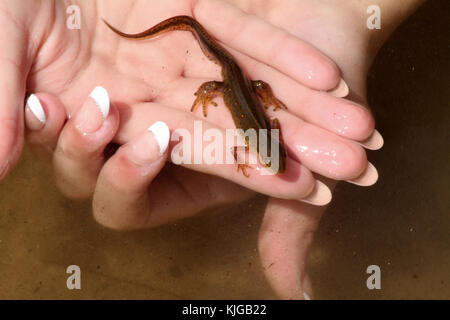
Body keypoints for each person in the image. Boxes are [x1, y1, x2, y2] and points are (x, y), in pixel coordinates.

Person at [0, 0, 424, 299]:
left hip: (243, 86)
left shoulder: (263, 139)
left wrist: (264, 113)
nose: (272, 162)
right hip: (230, 83)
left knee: (248, 90)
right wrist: (216, 100)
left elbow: (265, 125)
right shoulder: (257, 134)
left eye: (269, 158)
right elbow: (258, 123)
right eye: (268, 159)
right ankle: (205, 74)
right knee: (228, 84)